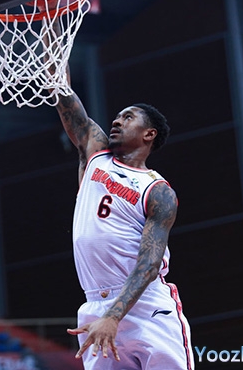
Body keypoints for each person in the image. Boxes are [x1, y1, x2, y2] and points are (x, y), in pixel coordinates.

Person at [51, 56, 194, 368]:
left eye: (128, 118)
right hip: (95, 304)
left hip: (145, 306)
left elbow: (150, 263)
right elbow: (63, 94)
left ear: (149, 134)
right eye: (116, 117)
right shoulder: (96, 154)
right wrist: (54, 46)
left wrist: (114, 316)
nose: (116, 122)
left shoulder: (157, 190)